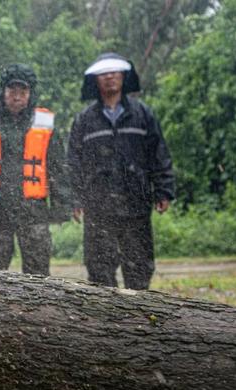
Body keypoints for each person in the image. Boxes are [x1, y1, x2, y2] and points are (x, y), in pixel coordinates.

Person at [67, 52, 175, 289]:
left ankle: (138, 318)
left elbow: (159, 153)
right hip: (98, 205)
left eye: (114, 72)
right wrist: (74, 199)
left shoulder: (143, 114)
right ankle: (104, 320)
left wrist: (164, 190)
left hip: (136, 201)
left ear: (124, 77)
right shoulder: (84, 120)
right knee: (99, 269)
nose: (109, 78)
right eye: (103, 74)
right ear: (95, 80)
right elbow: (73, 162)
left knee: (139, 266)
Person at [0, 64, 71, 274]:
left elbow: (58, 169)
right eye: (12, 91)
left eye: (23, 92)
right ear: (3, 92)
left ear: (31, 93)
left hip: (33, 211)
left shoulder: (45, 124)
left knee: (38, 274)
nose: (17, 97)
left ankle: (37, 307)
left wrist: (61, 206)